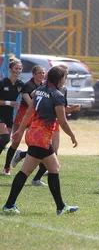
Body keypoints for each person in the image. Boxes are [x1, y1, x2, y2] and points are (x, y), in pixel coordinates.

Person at [2, 65, 78, 215]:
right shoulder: (57, 95)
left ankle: (59, 206)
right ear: (60, 79)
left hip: (33, 133)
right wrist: (72, 135)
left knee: (43, 169)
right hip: (41, 137)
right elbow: (62, 122)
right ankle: (59, 207)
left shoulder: (39, 91)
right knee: (44, 169)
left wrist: (20, 130)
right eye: (65, 77)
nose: (65, 80)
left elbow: (30, 111)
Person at [7, 65, 45, 176]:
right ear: (33, 74)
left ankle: (23, 156)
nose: (42, 75)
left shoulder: (43, 85)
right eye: (39, 73)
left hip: (35, 115)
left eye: (43, 73)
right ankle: (6, 167)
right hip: (24, 113)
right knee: (16, 141)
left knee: (36, 142)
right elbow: (30, 104)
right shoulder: (28, 85)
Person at [0, 58, 25, 175]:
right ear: (10, 69)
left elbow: (29, 93)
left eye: (20, 69)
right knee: (5, 138)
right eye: (16, 68)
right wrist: (10, 103)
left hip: (9, 115)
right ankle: (6, 167)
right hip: (0, 113)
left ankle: (6, 168)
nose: (18, 71)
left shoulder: (20, 84)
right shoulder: (3, 82)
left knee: (5, 141)